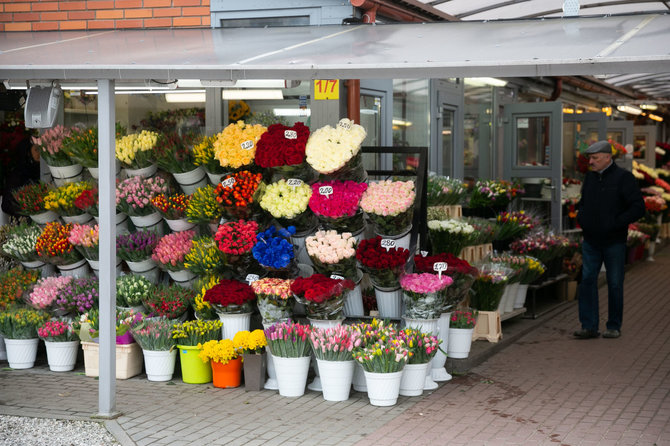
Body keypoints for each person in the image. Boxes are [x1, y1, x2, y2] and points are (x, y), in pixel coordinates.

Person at [574, 140, 645, 339]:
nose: (591, 162)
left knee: (614, 283)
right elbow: (584, 202)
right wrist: (582, 218)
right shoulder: (589, 178)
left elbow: (638, 207)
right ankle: (589, 326)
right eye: (590, 158)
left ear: (608, 157)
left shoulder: (624, 178)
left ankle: (613, 325)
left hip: (614, 241)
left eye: (595, 158)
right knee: (587, 281)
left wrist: (616, 222)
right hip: (591, 240)